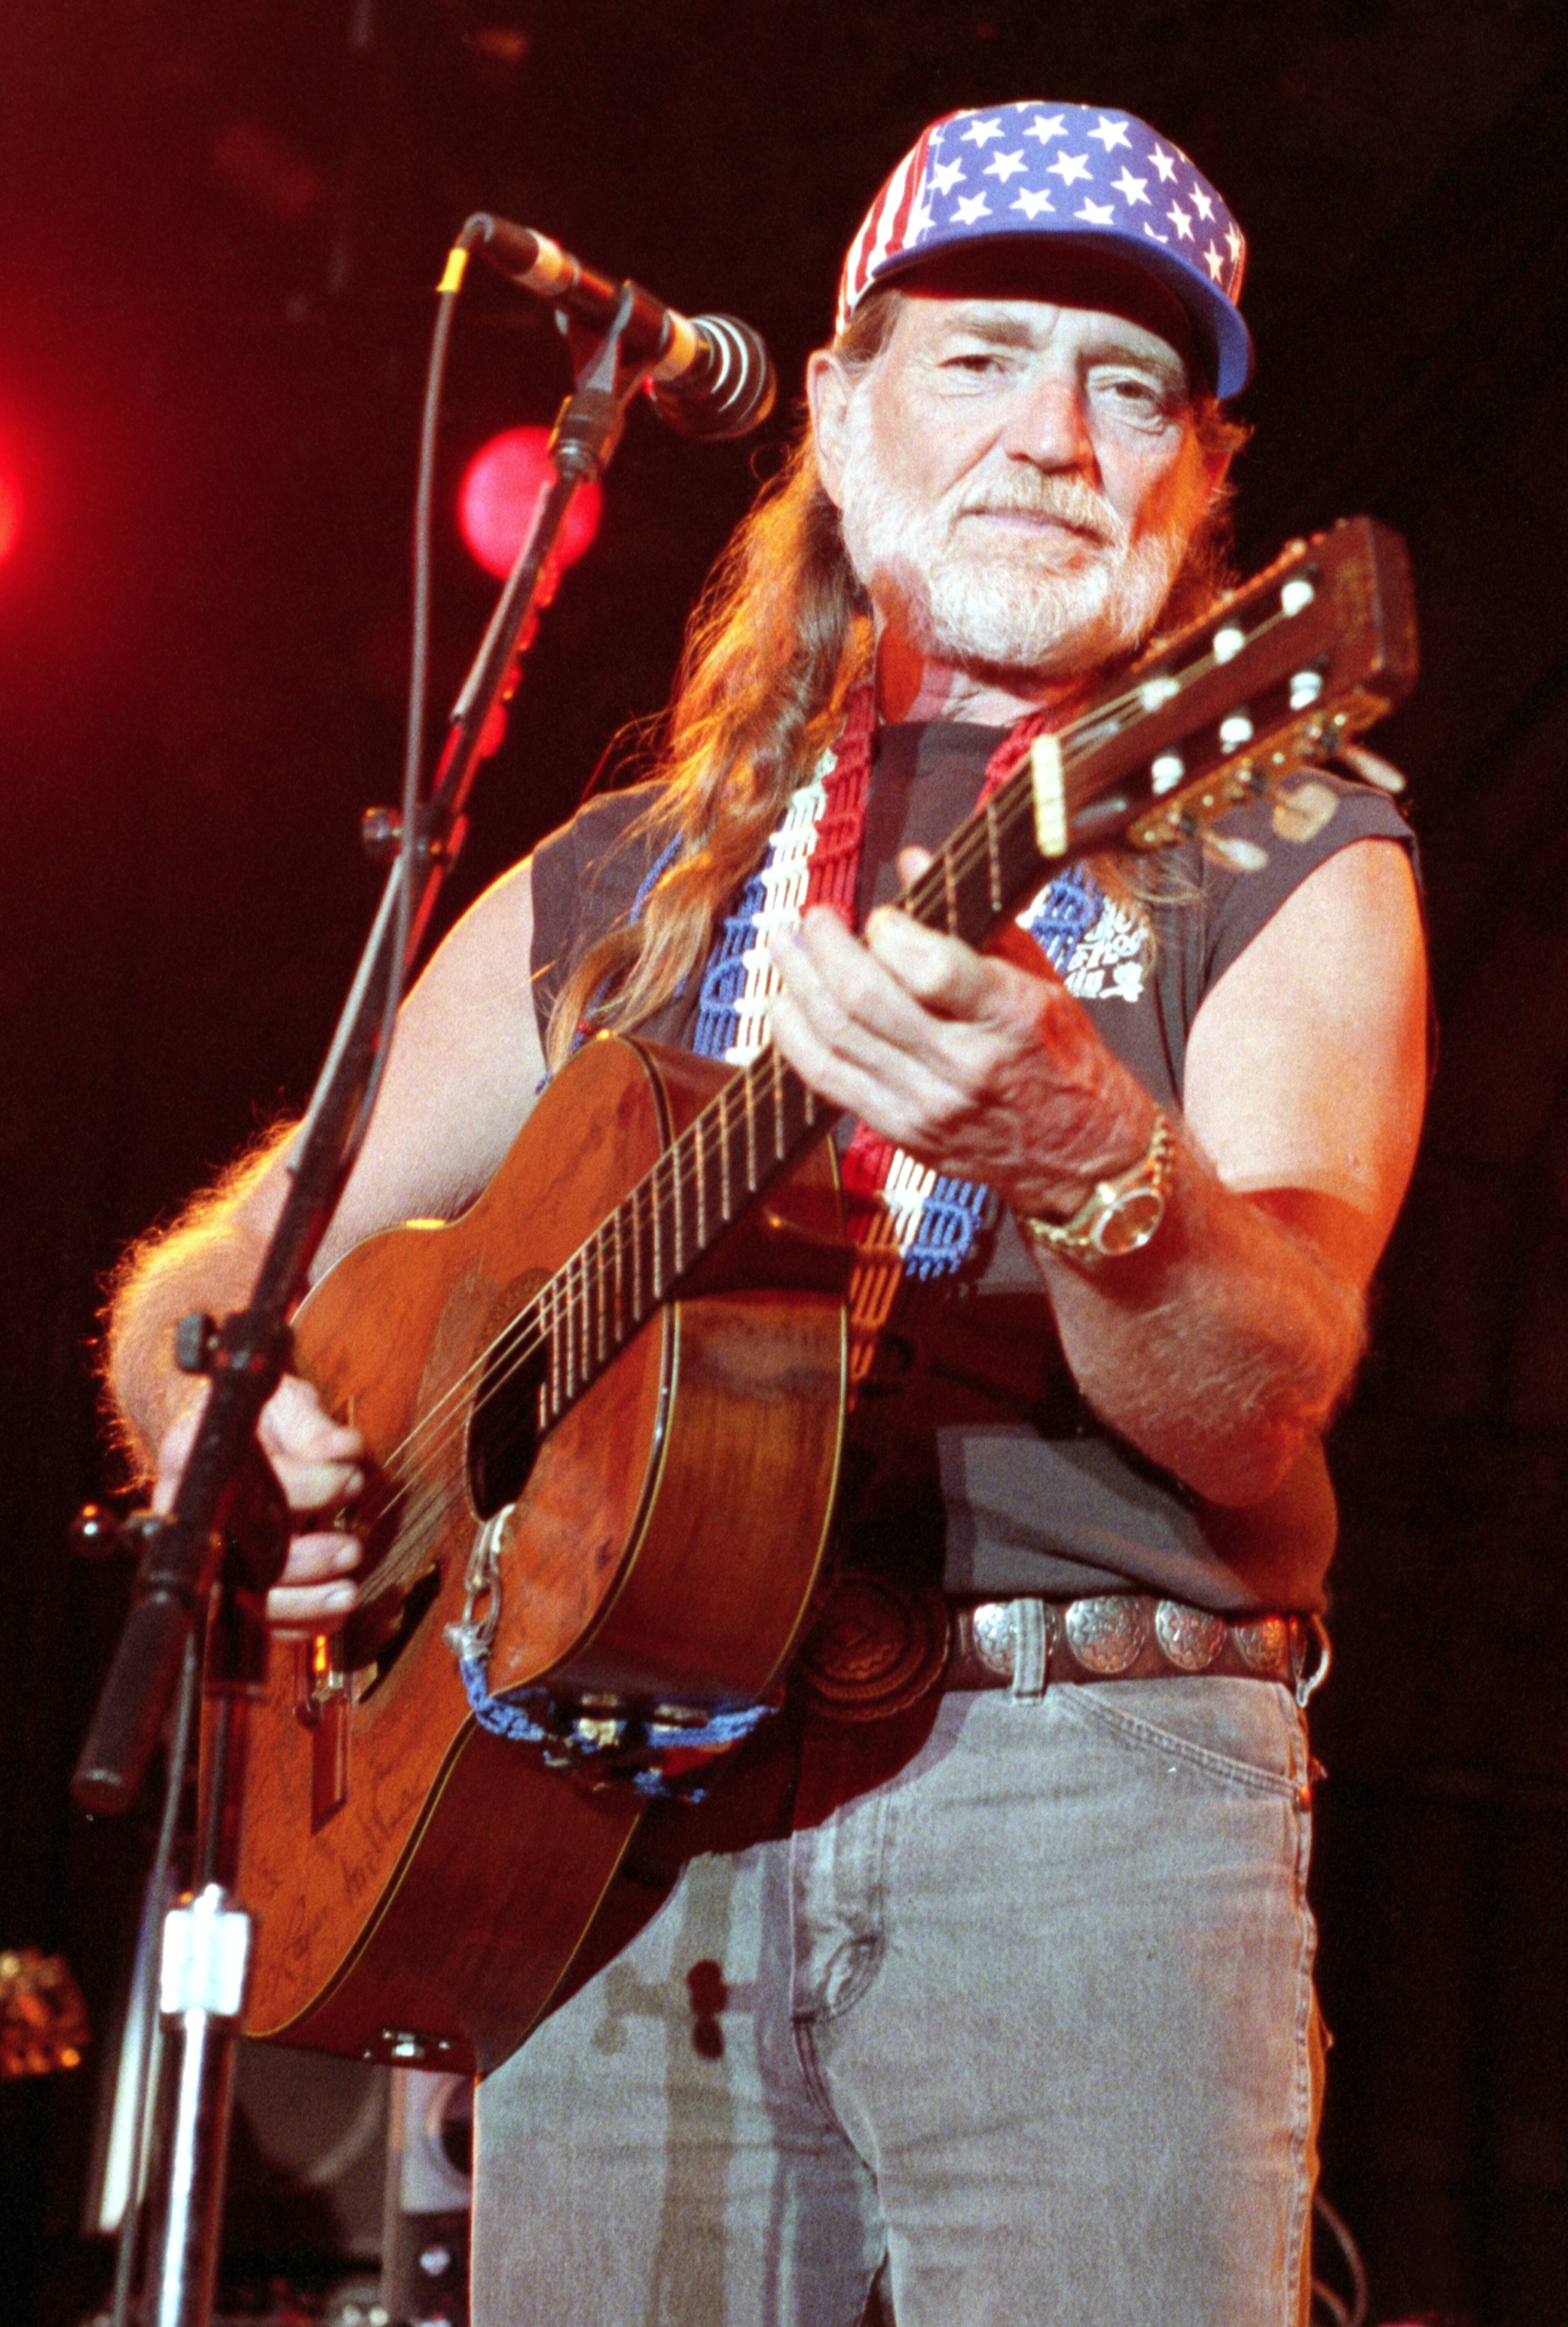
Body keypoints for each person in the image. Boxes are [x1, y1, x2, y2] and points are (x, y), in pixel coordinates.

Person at [105, 101, 1428, 2327]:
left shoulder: (1280, 844)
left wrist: (1080, 1155)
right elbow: (221, 1275)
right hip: (613, 1824)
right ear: (832, 408)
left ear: (1208, 479)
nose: (1051, 439)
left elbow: (1259, 1393)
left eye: (1130, 390)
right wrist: (215, 1427)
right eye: (980, 357)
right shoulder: (631, 874)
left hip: (1081, 1791)